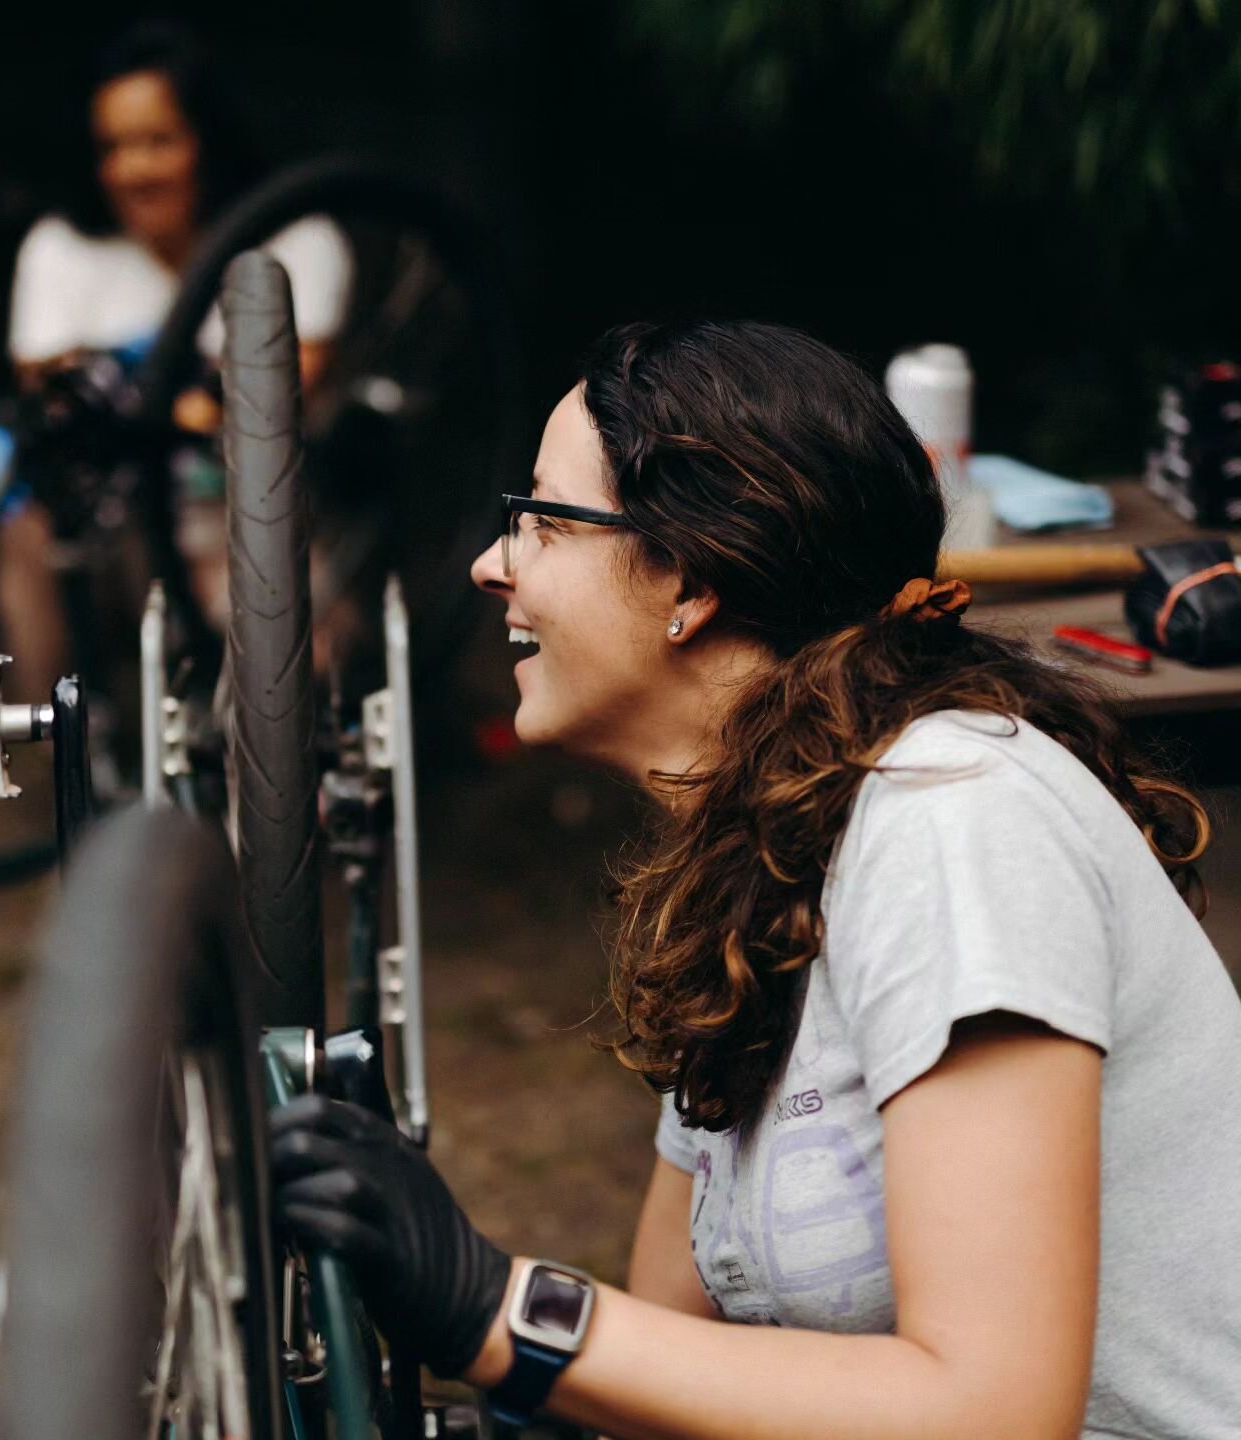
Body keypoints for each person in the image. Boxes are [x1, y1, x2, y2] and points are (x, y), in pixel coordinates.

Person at [270, 320, 1241, 1438]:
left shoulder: (954, 820)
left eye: (540, 518)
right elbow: (671, 1360)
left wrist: (499, 1313)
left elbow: (995, 1412)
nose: (494, 565)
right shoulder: (761, 877)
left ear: (686, 576)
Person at [0, 21, 352, 697]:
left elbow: (296, 381)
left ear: (208, 141)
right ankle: (67, 751)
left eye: (159, 141)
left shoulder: (299, 239)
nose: (134, 171)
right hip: (108, 528)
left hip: (243, 515)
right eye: (114, 147)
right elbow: (50, 395)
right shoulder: (61, 248)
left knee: (297, 634)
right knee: (29, 534)